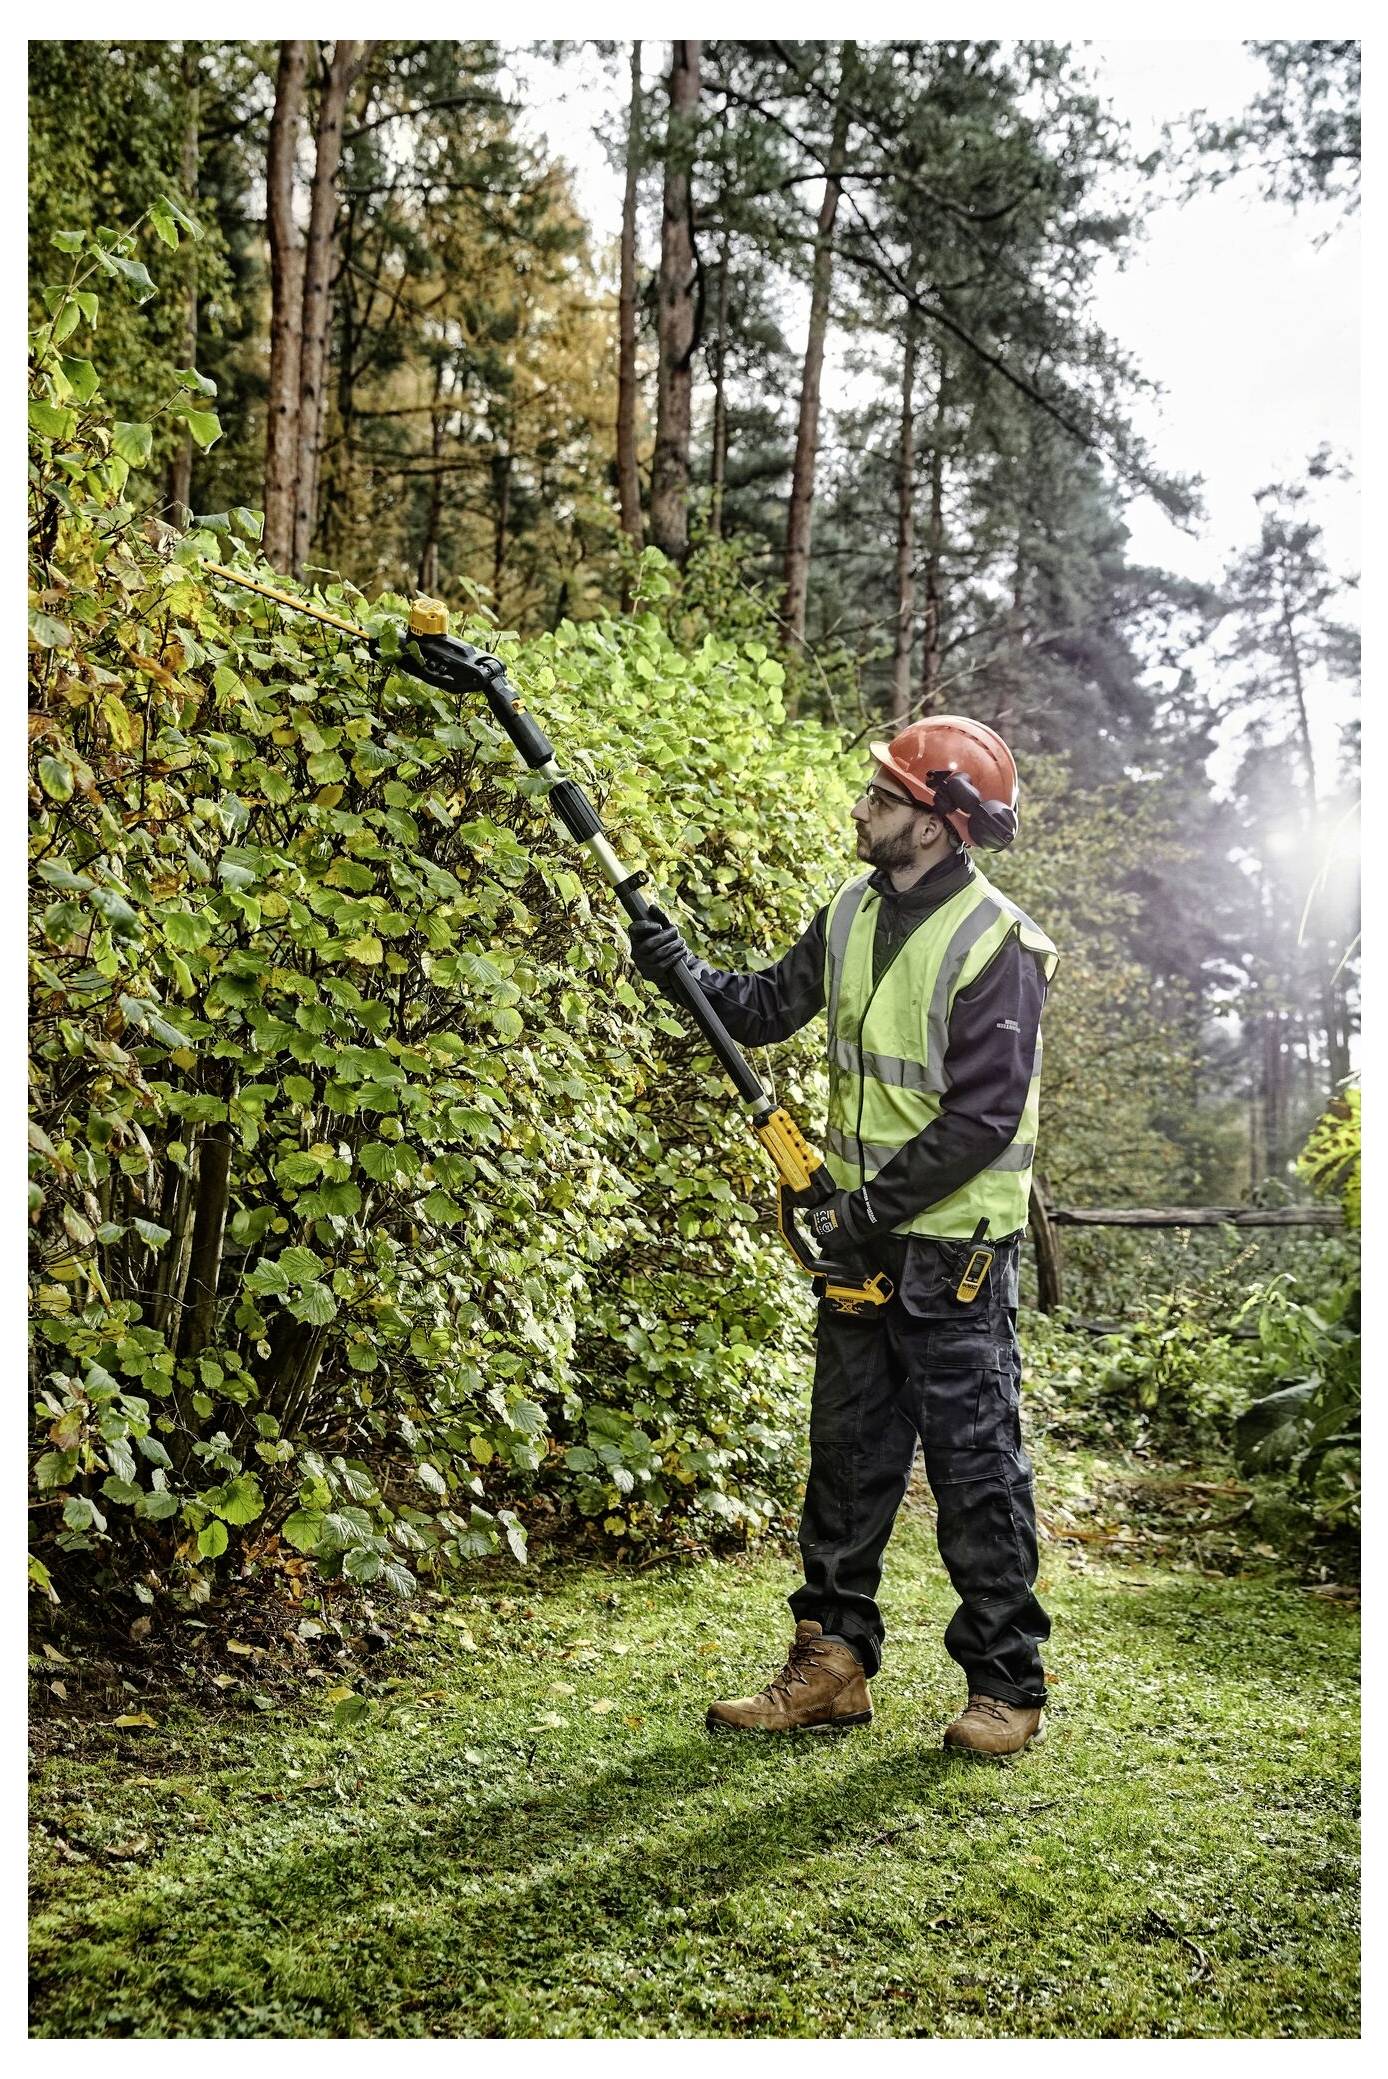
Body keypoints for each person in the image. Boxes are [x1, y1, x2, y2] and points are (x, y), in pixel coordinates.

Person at [627, 716, 1058, 1757]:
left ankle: (1005, 1685)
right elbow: (763, 1007)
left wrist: (853, 1214)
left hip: (953, 1258)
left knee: (974, 1473)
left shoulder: (996, 943)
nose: (862, 808)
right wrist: (680, 971)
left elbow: (979, 1119)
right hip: (859, 1252)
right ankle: (831, 1665)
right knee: (847, 1461)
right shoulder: (852, 910)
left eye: (883, 796)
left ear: (937, 822)